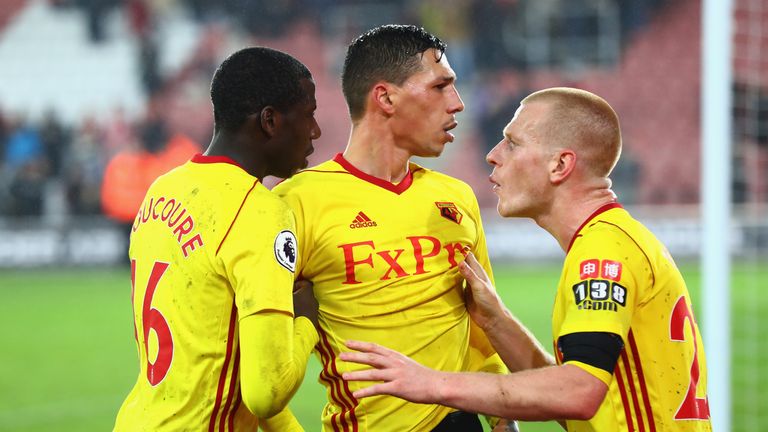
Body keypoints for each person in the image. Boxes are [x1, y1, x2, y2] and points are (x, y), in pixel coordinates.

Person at [340, 87, 712, 431]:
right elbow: (570, 391)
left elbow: (577, 393)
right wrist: (496, 321)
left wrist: (432, 383)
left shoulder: (601, 254)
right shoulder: (609, 239)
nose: (493, 155)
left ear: (560, 165)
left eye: (513, 143)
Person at [270, 24, 514, 432]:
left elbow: (482, 334)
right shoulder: (295, 204)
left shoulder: (455, 197)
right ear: (385, 97)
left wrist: (504, 423)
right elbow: (254, 360)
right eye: (440, 87)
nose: (458, 104)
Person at [113, 47, 322, 431]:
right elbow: (267, 390)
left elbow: (232, 365)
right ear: (270, 121)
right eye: (308, 115)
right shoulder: (260, 212)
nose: (315, 131)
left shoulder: (164, 190)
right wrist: (307, 321)